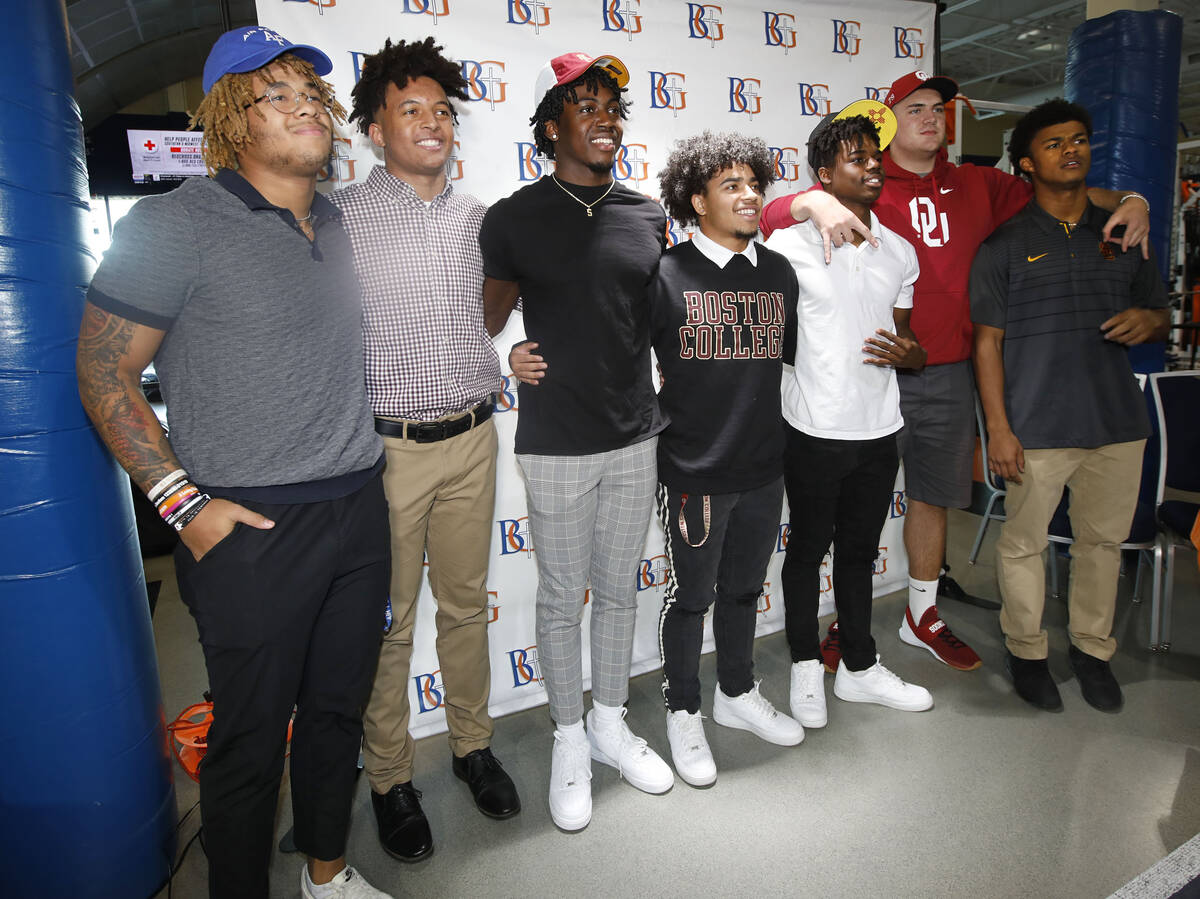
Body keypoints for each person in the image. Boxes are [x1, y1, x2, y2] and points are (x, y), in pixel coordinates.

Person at [76, 27, 392, 899]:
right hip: (250, 527)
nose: (302, 104)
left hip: (358, 507)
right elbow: (102, 370)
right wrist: (183, 502)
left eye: (309, 89)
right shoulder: (174, 221)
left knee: (335, 716)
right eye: (274, 92)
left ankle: (327, 875)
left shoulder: (333, 217)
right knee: (251, 741)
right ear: (226, 117)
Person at [759, 71, 1151, 674]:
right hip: (865, 378)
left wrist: (1135, 201)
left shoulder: (979, 183)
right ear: (888, 121)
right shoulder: (860, 178)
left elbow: (1065, 193)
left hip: (945, 372)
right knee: (850, 514)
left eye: (939, 107)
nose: (931, 116)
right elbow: (770, 221)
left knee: (932, 497)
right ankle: (849, 622)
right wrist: (810, 199)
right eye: (914, 107)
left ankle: (922, 613)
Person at [514, 132, 803, 785]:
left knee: (743, 589)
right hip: (693, 470)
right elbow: (611, 353)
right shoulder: (664, 273)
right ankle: (682, 708)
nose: (750, 195)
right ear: (696, 198)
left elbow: (782, 364)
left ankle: (735, 691)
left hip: (764, 465)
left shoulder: (779, 272)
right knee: (691, 595)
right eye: (731, 184)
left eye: (755, 183)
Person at [332, 36, 519, 864]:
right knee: (388, 625)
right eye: (411, 111)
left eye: (442, 110)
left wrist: (510, 356)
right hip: (387, 451)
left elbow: (494, 311)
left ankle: (473, 746)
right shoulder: (337, 218)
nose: (432, 123)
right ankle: (390, 778)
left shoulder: (482, 219)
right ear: (375, 130)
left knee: (467, 606)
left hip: (475, 436)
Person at [480, 51, 673, 831]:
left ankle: (609, 721)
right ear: (551, 123)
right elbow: (487, 321)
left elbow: (656, 318)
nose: (605, 118)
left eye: (612, 107)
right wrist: (506, 358)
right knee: (562, 597)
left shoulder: (647, 211)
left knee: (621, 587)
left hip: (635, 435)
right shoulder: (514, 215)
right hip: (555, 439)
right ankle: (567, 734)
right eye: (585, 105)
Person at [970, 99, 1169, 713]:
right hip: (1036, 426)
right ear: (1027, 163)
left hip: (1117, 424)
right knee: (1024, 544)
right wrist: (997, 430)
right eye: (1054, 143)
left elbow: (1159, 314)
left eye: (1079, 140)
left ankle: (1091, 650)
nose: (1071, 150)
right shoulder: (1002, 246)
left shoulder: (1124, 236)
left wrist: (1151, 319)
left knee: (1101, 546)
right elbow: (987, 343)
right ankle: (1027, 651)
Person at [766, 107, 934, 722]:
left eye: (875, 157)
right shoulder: (787, 247)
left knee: (860, 553)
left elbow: (906, 338)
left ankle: (859, 667)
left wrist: (914, 355)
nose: (872, 167)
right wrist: (806, 205)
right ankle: (807, 666)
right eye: (855, 158)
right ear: (822, 175)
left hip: (879, 427)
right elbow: (758, 217)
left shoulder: (899, 252)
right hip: (812, 428)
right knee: (807, 551)